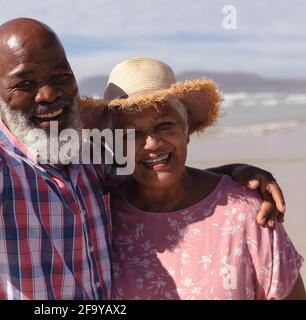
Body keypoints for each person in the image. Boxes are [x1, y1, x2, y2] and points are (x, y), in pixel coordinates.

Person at [0, 19, 287, 300]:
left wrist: (229, 178)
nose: (48, 94)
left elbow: (156, 178)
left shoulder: (91, 164)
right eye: (25, 82)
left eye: (60, 77)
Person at [94, 57, 305, 299]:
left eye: (164, 125)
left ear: (187, 129)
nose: (151, 143)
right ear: (114, 145)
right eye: (131, 133)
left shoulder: (247, 212)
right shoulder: (102, 216)